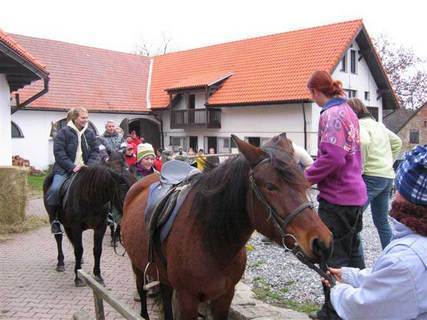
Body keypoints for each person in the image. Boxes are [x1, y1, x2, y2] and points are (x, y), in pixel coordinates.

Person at [322, 145, 427, 320]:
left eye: (399, 187)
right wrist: (350, 276)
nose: (395, 194)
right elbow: (394, 282)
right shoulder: (413, 252)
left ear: (409, 196)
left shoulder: (406, 258)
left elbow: (364, 308)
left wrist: (336, 288)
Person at [305, 71, 367, 320]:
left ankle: (332, 313)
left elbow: (332, 157)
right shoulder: (350, 111)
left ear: (315, 92)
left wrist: (305, 178)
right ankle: (361, 307)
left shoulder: (331, 115)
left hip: (337, 198)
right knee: (352, 256)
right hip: (356, 194)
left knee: (332, 258)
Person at [348, 98, 402, 249]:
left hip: (371, 177)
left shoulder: (358, 125)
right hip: (387, 176)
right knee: (382, 221)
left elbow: (364, 143)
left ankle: (358, 263)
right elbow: (397, 142)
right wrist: (388, 162)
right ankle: (391, 256)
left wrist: (360, 169)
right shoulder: (379, 125)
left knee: (353, 220)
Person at [46, 107, 99, 234]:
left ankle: (107, 216)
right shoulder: (63, 133)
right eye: (83, 118)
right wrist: (72, 167)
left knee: (103, 187)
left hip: (86, 170)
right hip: (65, 170)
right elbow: (59, 153)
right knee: (54, 190)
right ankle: (55, 221)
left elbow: (95, 152)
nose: (86, 120)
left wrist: (89, 166)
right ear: (75, 118)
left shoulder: (90, 133)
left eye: (87, 117)